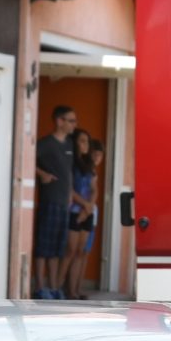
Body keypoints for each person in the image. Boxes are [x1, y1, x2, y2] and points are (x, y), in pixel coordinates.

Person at [32, 104, 77, 298]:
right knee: (44, 246)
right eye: (71, 120)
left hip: (63, 203)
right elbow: (27, 159)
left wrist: (69, 194)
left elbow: (69, 172)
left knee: (58, 248)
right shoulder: (45, 143)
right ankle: (41, 287)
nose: (75, 124)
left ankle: (53, 287)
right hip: (49, 200)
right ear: (59, 121)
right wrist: (42, 174)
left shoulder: (69, 144)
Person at [65, 128, 100, 299]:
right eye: (82, 141)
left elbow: (94, 189)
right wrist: (86, 206)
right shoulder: (70, 164)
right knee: (70, 251)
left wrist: (87, 209)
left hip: (86, 213)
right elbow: (70, 190)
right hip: (74, 211)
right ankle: (60, 289)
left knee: (80, 252)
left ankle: (74, 291)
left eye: (87, 141)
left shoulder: (89, 165)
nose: (86, 145)